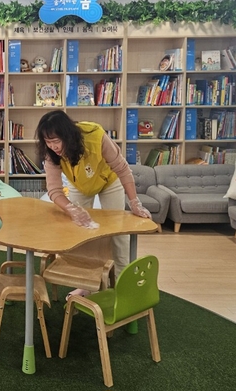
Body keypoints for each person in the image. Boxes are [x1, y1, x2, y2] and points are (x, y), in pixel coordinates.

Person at [35, 110, 151, 297]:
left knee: (118, 232)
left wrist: (134, 202)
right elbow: (54, 190)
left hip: (108, 181)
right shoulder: (50, 154)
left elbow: (122, 169)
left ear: (67, 135)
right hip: (80, 185)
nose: (52, 146)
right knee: (80, 232)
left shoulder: (95, 135)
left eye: (56, 141)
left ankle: (122, 284)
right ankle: (86, 284)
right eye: (48, 142)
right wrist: (71, 209)